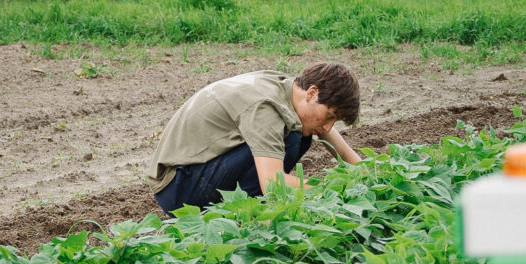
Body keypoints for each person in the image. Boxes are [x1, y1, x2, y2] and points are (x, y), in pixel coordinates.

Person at [150, 63, 366, 214]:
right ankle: (233, 216)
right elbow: (273, 184)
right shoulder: (266, 108)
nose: (328, 127)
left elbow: (343, 151)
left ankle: (243, 209)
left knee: (302, 132)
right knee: (291, 140)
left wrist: (368, 175)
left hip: (192, 172)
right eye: (330, 116)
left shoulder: (288, 88)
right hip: (179, 189)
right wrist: (334, 190)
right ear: (311, 93)